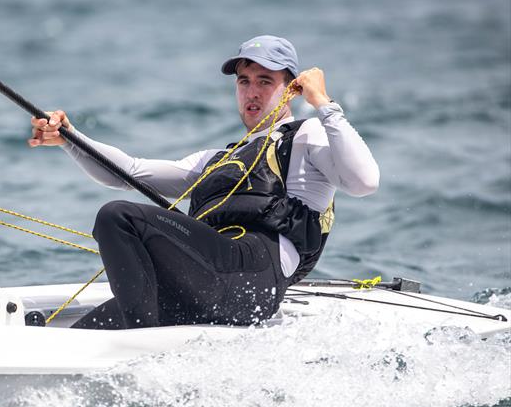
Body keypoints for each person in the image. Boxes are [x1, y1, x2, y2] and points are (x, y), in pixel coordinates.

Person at [29, 35, 379, 330]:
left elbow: (364, 181)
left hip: (252, 278)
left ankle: (142, 347)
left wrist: (322, 103)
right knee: (80, 334)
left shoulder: (307, 136)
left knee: (118, 217)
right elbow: (128, 173)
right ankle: (139, 341)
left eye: (265, 81)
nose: (252, 92)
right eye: (244, 81)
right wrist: (69, 138)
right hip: (206, 280)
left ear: (291, 88)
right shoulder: (216, 160)